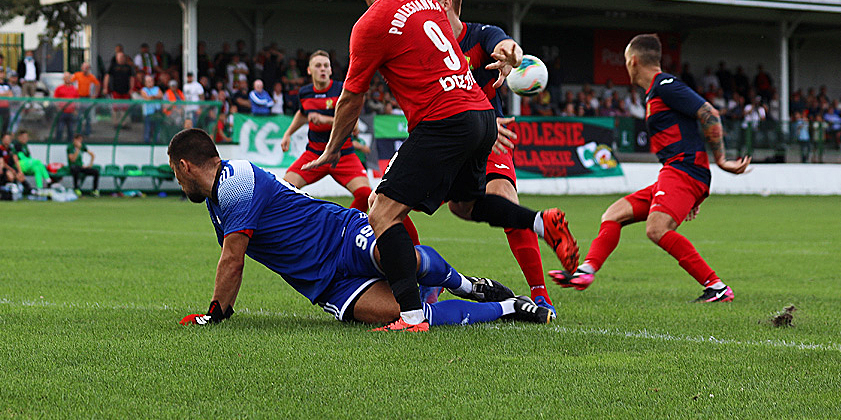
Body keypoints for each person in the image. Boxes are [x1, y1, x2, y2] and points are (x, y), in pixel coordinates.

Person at [304, 0, 577, 332]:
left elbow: (350, 98)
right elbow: (476, 43)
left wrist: (331, 151)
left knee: (381, 210)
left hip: (442, 121)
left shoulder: (369, 24)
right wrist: (507, 53)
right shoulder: (430, 4)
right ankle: (540, 221)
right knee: (465, 206)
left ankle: (413, 317)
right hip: (481, 115)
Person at [167, 129, 552, 328]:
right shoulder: (218, 200)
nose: (177, 179)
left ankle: (465, 285)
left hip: (339, 235)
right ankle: (509, 308)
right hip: (328, 285)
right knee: (400, 313)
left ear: (185, 165)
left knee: (398, 258)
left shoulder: (235, 181)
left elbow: (232, 260)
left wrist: (215, 314)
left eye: (174, 171)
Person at [548, 34, 750, 302]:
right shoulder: (656, 91)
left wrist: (721, 160)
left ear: (633, 61)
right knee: (613, 214)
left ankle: (717, 287)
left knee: (656, 230)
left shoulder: (666, 85)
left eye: (624, 61)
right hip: (678, 173)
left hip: (683, 170)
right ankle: (586, 271)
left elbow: (709, 113)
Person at [406, 0, 555, 310]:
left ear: (444, 4)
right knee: (385, 205)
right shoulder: (421, 45)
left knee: (505, 199)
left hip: (489, 140)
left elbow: (505, 46)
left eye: (420, 1)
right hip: (441, 141)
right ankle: (428, 279)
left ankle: (539, 293)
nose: (413, 9)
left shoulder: (482, 36)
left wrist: (512, 57)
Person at [279, 49, 420, 243]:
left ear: (330, 70)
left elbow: (353, 126)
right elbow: (303, 114)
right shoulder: (304, 93)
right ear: (309, 70)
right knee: (283, 190)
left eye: (326, 66)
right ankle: (289, 236)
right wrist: (288, 134)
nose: (323, 69)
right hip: (314, 154)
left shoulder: (342, 90)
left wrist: (325, 120)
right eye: (318, 66)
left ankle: (345, 231)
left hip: (343, 155)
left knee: (366, 195)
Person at [52, 72, 80, 141]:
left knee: (71, 129)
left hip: (71, 112)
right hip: (62, 112)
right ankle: (58, 142)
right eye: (66, 78)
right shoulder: (59, 88)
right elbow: (55, 99)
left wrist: (76, 109)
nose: (67, 79)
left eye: (69, 78)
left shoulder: (74, 89)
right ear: (63, 79)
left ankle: (70, 143)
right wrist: (58, 108)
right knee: (60, 128)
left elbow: (77, 100)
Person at [140, 73, 164, 143]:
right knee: (148, 128)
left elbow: (160, 95)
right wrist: (154, 96)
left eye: (151, 81)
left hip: (157, 112)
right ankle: (146, 142)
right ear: (145, 82)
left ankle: (157, 141)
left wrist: (152, 97)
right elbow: (147, 98)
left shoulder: (157, 88)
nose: (150, 83)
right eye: (148, 81)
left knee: (157, 128)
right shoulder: (143, 89)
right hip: (148, 113)